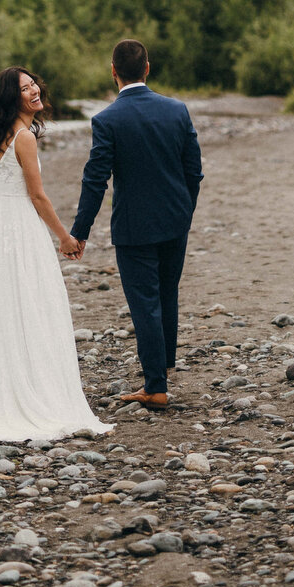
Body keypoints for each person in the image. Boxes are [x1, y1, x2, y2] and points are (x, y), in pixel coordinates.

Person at [0, 65, 113, 442]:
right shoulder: (24, 137)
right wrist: (64, 237)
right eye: (25, 88)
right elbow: (37, 196)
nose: (34, 91)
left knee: (6, 307)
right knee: (36, 303)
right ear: (13, 98)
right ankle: (34, 392)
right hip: (22, 229)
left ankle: (3, 390)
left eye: (34, 85)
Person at [69, 39, 202, 410]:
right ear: (148, 68)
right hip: (176, 220)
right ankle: (164, 364)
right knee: (166, 292)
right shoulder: (177, 110)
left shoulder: (107, 120)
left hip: (133, 227)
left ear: (113, 72)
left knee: (145, 302)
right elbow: (194, 171)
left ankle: (156, 385)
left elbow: (96, 180)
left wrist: (80, 232)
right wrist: (184, 211)